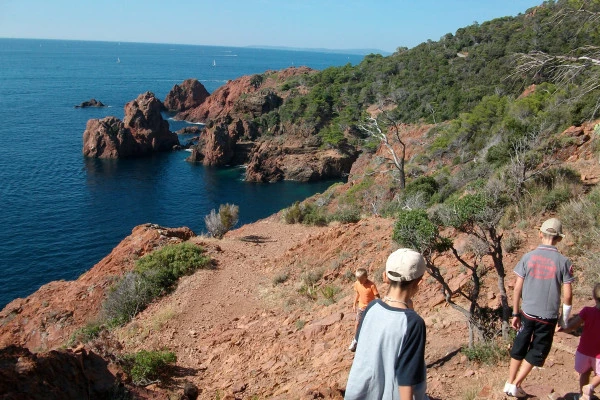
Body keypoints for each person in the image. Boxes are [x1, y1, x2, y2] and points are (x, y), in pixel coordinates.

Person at [504, 218, 574, 398]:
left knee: (520, 345)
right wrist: (564, 319)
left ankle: (509, 382)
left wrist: (515, 313)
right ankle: (517, 384)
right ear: (559, 239)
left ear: (540, 234)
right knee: (537, 350)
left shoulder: (528, 257)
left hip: (527, 312)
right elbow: (567, 295)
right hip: (548, 316)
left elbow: (517, 288)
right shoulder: (564, 262)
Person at [345, 248, 427, 400]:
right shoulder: (413, 323)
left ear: (385, 277)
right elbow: (407, 377)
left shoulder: (371, 308)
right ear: (419, 281)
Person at [558, 282, 600, 400]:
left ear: (594, 297)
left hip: (583, 351)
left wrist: (563, 328)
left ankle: (583, 394)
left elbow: (573, 325)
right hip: (599, 354)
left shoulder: (587, 311)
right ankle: (590, 387)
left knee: (585, 372)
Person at [348, 268, 380, 351]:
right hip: (361, 307)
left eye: (361, 280)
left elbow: (377, 296)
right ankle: (355, 340)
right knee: (357, 323)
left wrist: (378, 304)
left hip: (370, 308)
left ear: (366, 277)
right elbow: (357, 293)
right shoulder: (357, 284)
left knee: (371, 324)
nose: (360, 282)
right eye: (358, 280)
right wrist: (354, 304)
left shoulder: (371, 285)